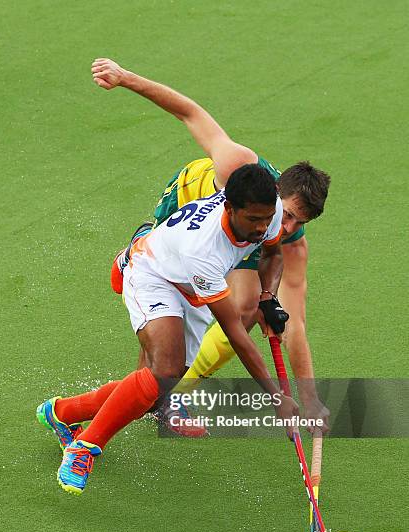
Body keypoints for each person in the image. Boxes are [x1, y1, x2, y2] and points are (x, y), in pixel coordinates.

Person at [92, 58, 331, 432]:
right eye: (287, 215)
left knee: (249, 305)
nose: (288, 227)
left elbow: (293, 320)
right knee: (166, 340)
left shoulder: (285, 238)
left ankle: (169, 394)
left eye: (300, 223)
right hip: (186, 213)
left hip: (239, 234)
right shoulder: (236, 163)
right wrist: (124, 78)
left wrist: (310, 398)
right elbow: (189, 112)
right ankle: (137, 253)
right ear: (275, 189)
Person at [37, 164, 299, 494]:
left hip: (193, 289)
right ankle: (84, 448)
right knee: (165, 370)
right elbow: (234, 332)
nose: (262, 227)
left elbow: (273, 254)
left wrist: (267, 297)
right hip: (154, 275)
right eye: (253, 220)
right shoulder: (203, 248)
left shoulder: (268, 210)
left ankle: (62, 412)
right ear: (230, 208)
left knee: (156, 393)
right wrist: (277, 398)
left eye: (266, 218)